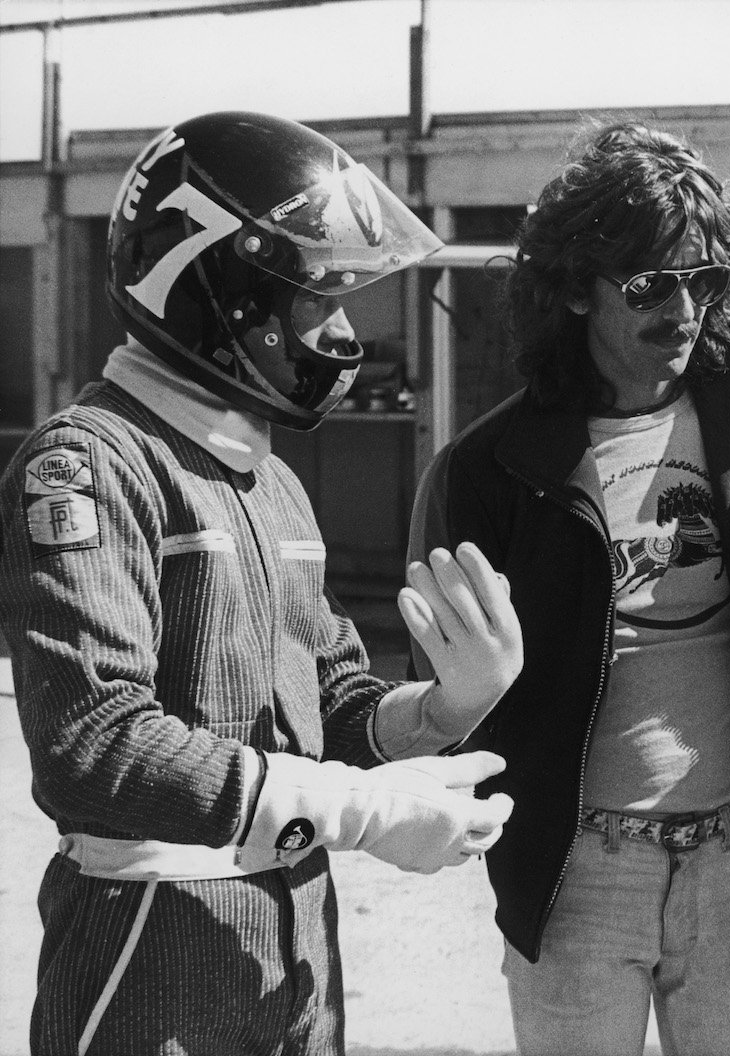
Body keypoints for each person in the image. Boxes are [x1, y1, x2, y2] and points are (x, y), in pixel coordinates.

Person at [0, 111, 523, 1056]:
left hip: (293, 948)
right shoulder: (89, 462)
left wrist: (439, 710)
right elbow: (92, 741)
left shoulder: (269, 478)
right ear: (223, 290)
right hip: (149, 944)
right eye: (316, 297)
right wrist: (358, 813)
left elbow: (329, 701)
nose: (341, 331)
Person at [406, 120, 730, 1056]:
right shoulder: (488, 471)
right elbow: (447, 695)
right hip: (577, 872)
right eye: (649, 284)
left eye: (704, 281)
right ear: (575, 292)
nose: (683, 309)